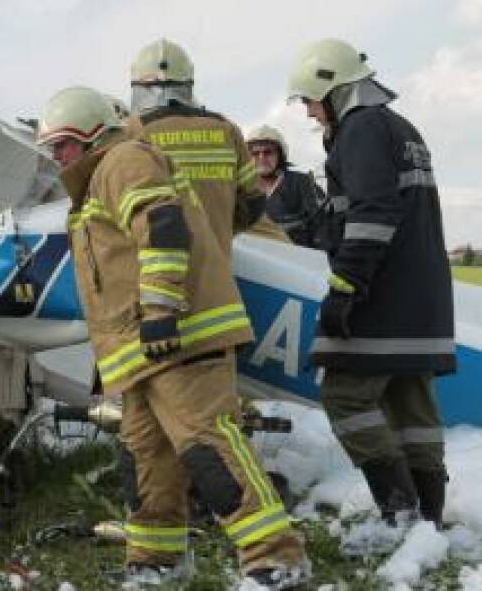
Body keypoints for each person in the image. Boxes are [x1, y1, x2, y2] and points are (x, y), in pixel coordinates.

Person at [38, 86, 309, 590]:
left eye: (63, 144)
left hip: (177, 340)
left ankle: (276, 561)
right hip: (143, 352)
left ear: (93, 134)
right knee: (148, 459)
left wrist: (161, 307)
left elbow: (162, 226)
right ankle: (157, 562)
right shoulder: (101, 175)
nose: (56, 157)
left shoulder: (122, 161)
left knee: (211, 449)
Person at [287, 39, 454, 530]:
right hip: (423, 297)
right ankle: (428, 520)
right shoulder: (403, 129)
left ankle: (398, 513)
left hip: (381, 296)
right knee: (411, 404)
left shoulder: (360, 130)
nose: (312, 113)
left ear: (333, 90)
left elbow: (372, 216)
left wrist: (344, 289)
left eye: (311, 102)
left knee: (345, 396)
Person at [127, 38, 270, 250]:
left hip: (153, 274)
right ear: (188, 83)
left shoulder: (130, 131)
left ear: (138, 86)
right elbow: (254, 200)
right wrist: (220, 232)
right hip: (217, 271)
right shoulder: (226, 128)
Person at [244, 125, 325, 248]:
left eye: (268, 152)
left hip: (300, 260)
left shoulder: (302, 183)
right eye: (255, 153)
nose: (261, 158)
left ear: (280, 155)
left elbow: (323, 227)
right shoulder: (241, 191)